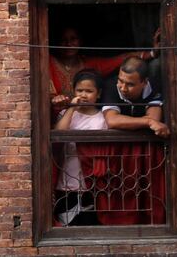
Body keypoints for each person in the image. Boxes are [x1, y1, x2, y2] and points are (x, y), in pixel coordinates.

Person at [93, 57, 168, 225]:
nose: (123, 88)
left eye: (130, 84)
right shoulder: (111, 86)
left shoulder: (154, 86)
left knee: (149, 196)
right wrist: (147, 122)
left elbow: (155, 116)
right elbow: (112, 121)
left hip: (147, 154)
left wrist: (149, 120)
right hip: (117, 153)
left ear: (144, 82)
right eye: (121, 81)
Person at [49, 26, 159, 117]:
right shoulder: (48, 63)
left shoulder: (90, 64)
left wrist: (152, 53)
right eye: (63, 40)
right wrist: (53, 99)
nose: (68, 43)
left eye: (73, 39)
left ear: (80, 41)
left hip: (88, 118)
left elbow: (119, 60)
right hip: (59, 121)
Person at [52, 69, 106, 226]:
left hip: (92, 184)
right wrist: (71, 109)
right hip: (66, 183)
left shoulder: (102, 118)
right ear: (73, 91)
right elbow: (59, 135)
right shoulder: (66, 113)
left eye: (89, 91)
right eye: (79, 90)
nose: (83, 95)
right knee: (66, 226)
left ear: (99, 93)